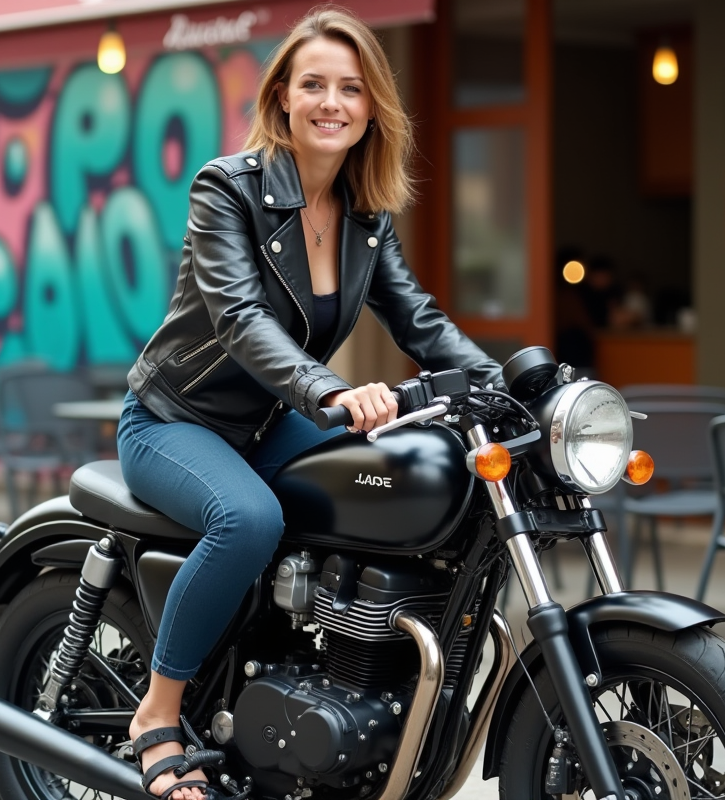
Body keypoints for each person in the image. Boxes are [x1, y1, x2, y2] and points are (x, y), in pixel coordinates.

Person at [116, 8, 503, 800]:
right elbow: (239, 318)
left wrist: (510, 384)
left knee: (393, 489)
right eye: (315, 85)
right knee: (249, 519)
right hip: (172, 420)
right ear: (283, 99)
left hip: (263, 424)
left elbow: (418, 319)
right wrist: (327, 388)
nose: (333, 102)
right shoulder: (229, 189)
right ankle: (156, 713)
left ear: (371, 108)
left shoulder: (365, 216)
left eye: (351, 88)